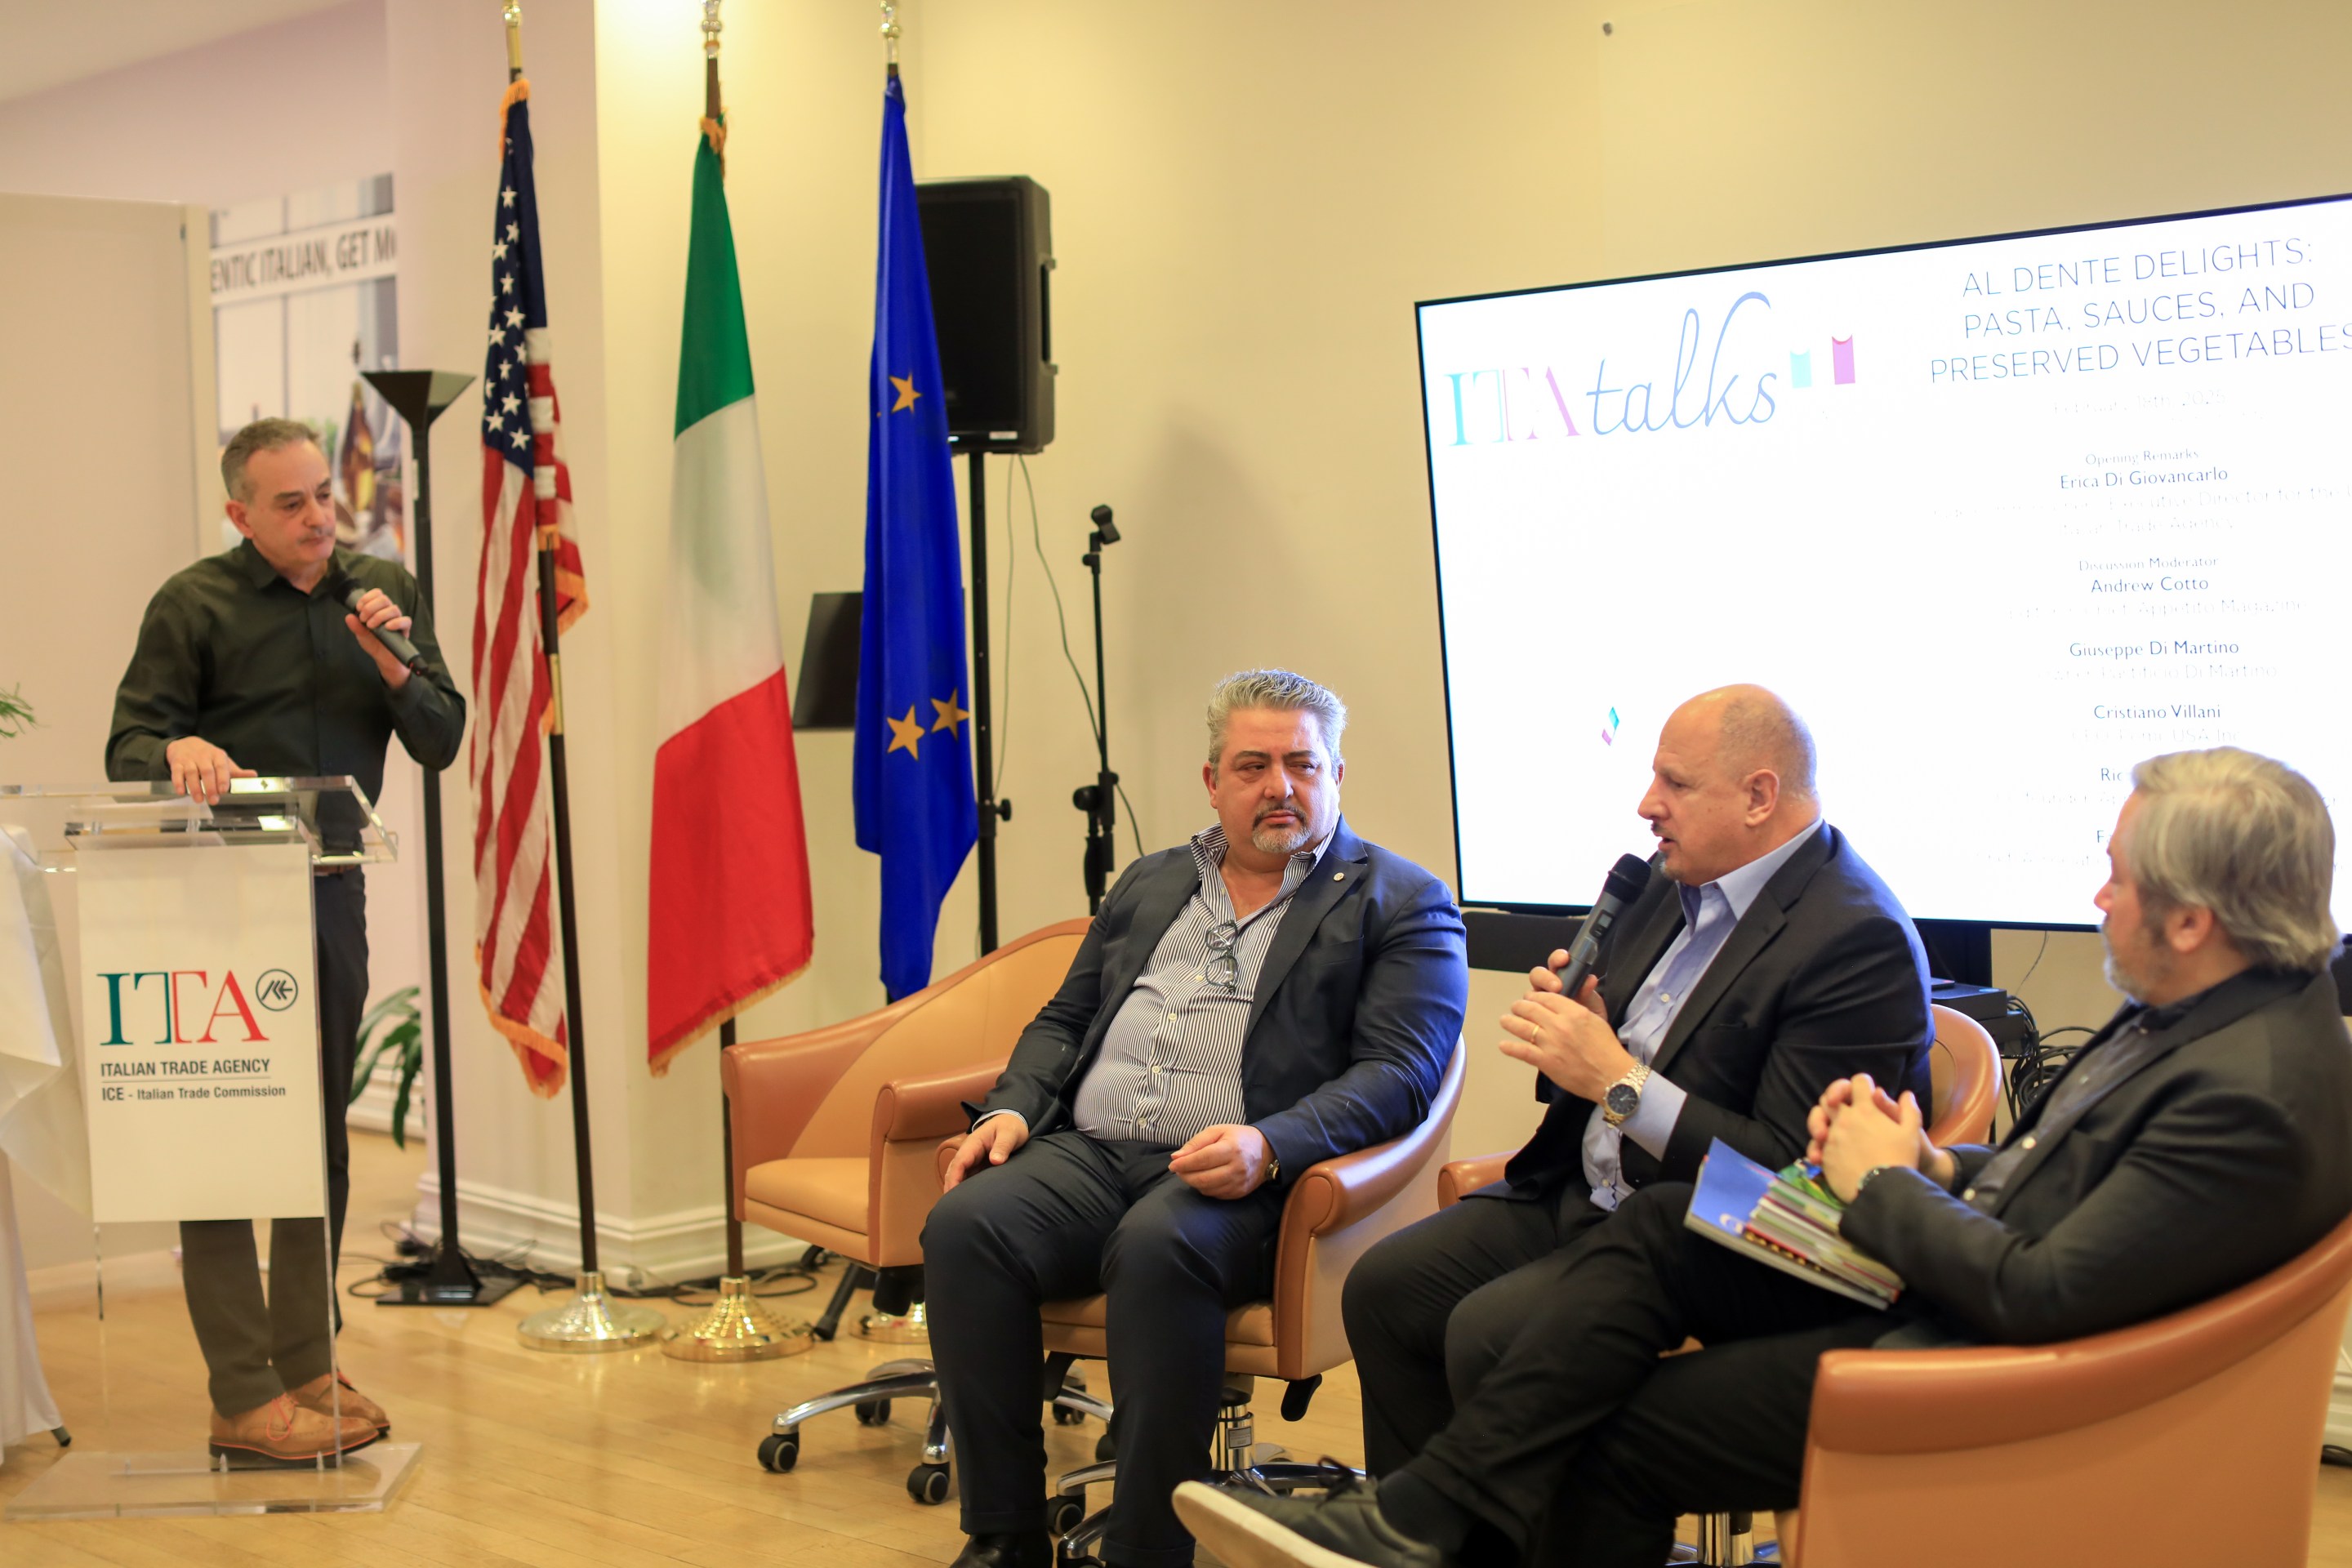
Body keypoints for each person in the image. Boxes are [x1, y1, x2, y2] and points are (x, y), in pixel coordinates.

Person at [1175, 745, 2352, 1568]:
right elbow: (2075, 1186)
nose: (2098, 898)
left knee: (1602, 1425)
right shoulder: (2225, 1011)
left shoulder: (2251, 1090)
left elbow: (2040, 1294)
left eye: (2120, 879)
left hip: (1975, 1358)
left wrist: (1891, 1181)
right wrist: (1940, 1171)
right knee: (1667, 1224)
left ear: (2195, 919)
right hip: (1940, 1266)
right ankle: (1423, 1518)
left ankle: (1427, 1519)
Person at [923, 669, 1469, 1568]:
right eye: (1253, 765)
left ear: (1338, 775)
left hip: (1247, 1173)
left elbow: (1400, 1075)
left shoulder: (1401, 901)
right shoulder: (1153, 879)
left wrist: (1271, 1143)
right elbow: (1066, 1019)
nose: (1281, 786)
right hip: (1093, 1151)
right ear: (1212, 783)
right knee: (966, 1226)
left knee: (1158, 1247)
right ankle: (1004, 1535)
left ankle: (1147, 1549)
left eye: (1303, 764)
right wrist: (1016, 1110)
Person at [1341, 684, 1932, 1482]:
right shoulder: (1663, 882)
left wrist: (1614, 1075)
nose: (1647, 805)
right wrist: (1584, 1032)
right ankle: (1433, 1544)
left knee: (1488, 1332)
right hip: (1590, 1195)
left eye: (1676, 785)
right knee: (1386, 1288)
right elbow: (1599, 1079)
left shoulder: (1855, 939)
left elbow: (1794, 1179)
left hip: (1724, 1240)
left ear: (1760, 796)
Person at [105, 417, 464, 1465]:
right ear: (240, 515)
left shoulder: (379, 590)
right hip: (209, 905)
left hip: (326, 890)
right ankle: (241, 1387)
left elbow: (441, 740)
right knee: (222, 1138)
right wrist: (178, 744)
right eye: (292, 504)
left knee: (313, 1131)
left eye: (324, 497)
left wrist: (394, 666)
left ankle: (308, 1359)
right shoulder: (194, 603)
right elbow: (129, 742)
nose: (319, 519)